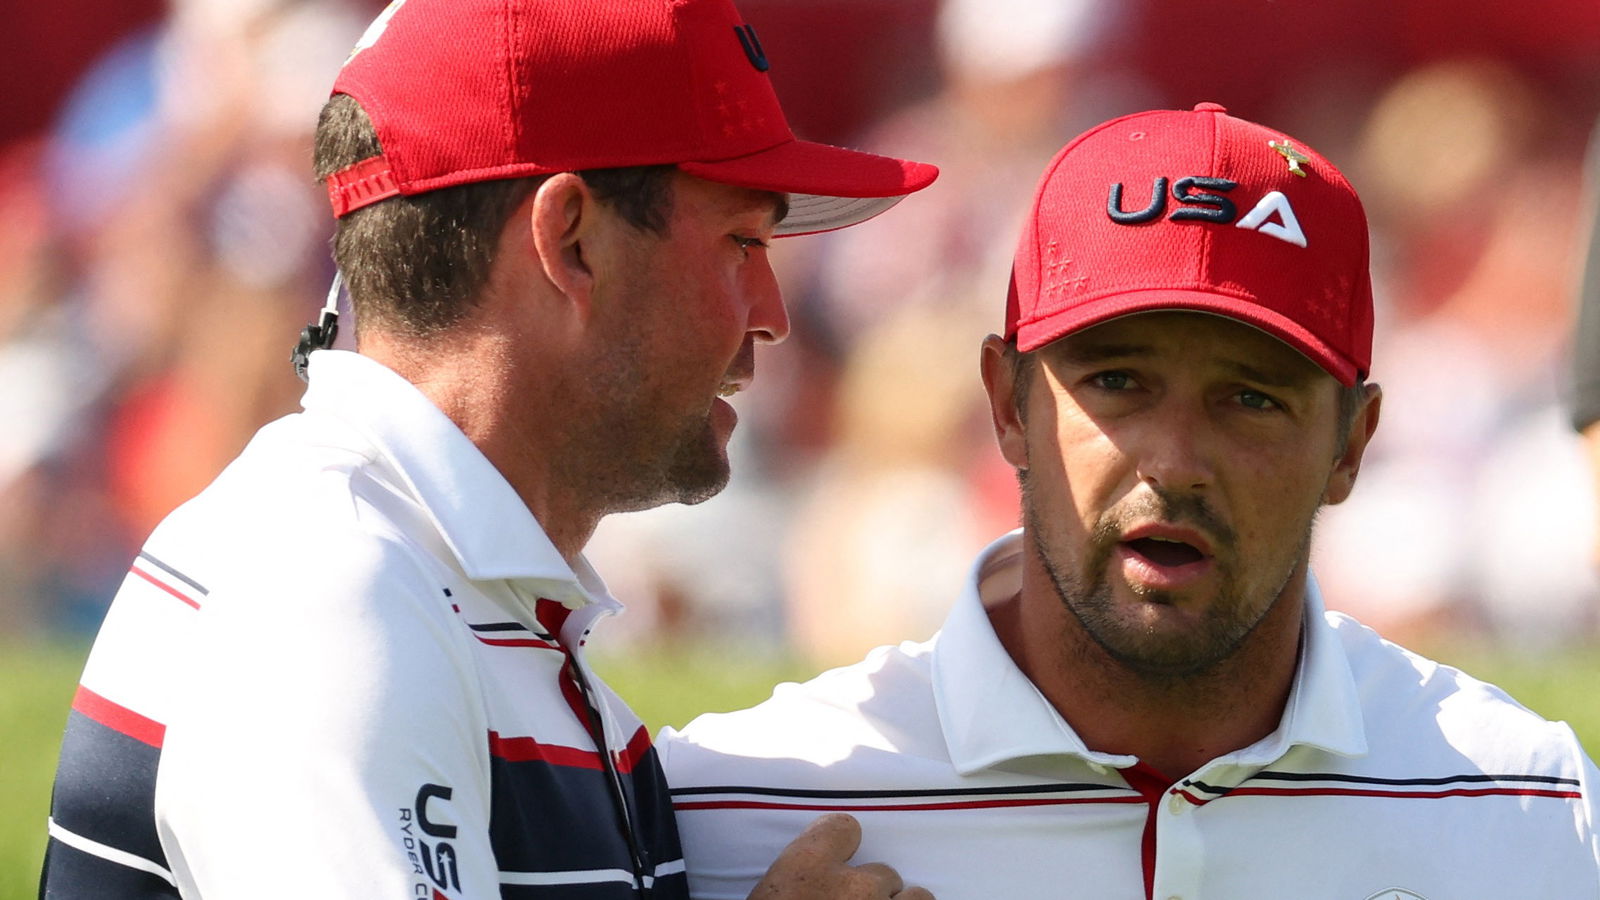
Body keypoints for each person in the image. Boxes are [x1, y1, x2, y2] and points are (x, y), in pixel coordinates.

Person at [39, 0, 940, 897]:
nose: (774, 318)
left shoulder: (431, 586)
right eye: (741, 243)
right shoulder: (335, 592)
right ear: (571, 242)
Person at [660, 103, 1600, 899]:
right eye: (1116, 381)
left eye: (1252, 397)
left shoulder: (1536, 811)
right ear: (1006, 404)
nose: (1177, 459)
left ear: (1352, 445)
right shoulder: (733, 808)